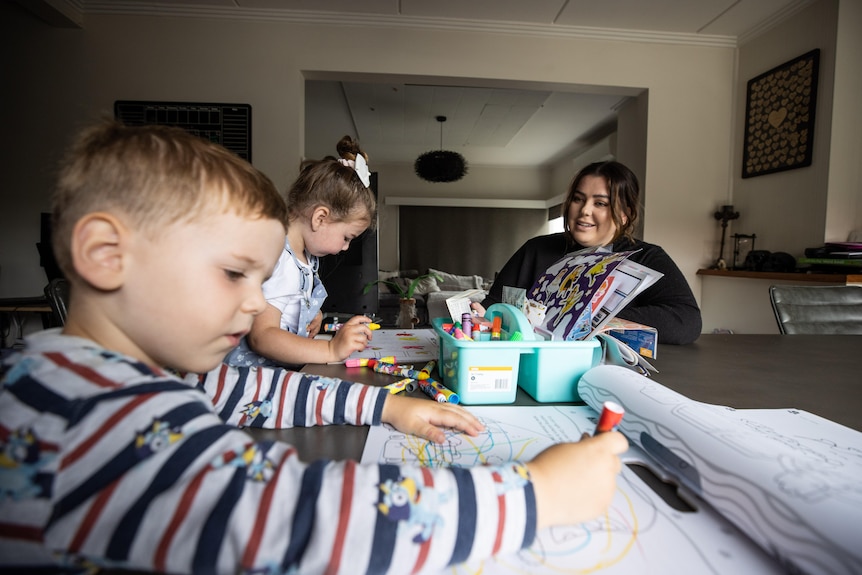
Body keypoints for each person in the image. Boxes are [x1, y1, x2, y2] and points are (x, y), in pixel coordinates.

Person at [0, 121, 628, 574]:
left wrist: (382, 409)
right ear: (108, 256)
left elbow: (252, 389)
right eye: (231, 274)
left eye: (258, 277)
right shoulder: (86, 413)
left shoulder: (124, 374)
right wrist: (536, 496)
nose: (255, 304)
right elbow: (301, 518)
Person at [479, 161, 702, 345]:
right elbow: (493, 306)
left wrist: (588, 318)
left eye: (600, 203)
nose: (584, 210)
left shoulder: (647, 257)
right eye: (578, 199)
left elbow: (687, 323)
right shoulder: (535, 250)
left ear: (625, 214)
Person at [224, 135, 376, 368]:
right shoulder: (279, 259)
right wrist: (330, 349)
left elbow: (283, 304)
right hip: (249, 380)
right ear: (320, 218)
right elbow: (262, 336)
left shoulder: (303, 258)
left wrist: (308, 314)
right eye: (346, 238)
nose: (345, 247)